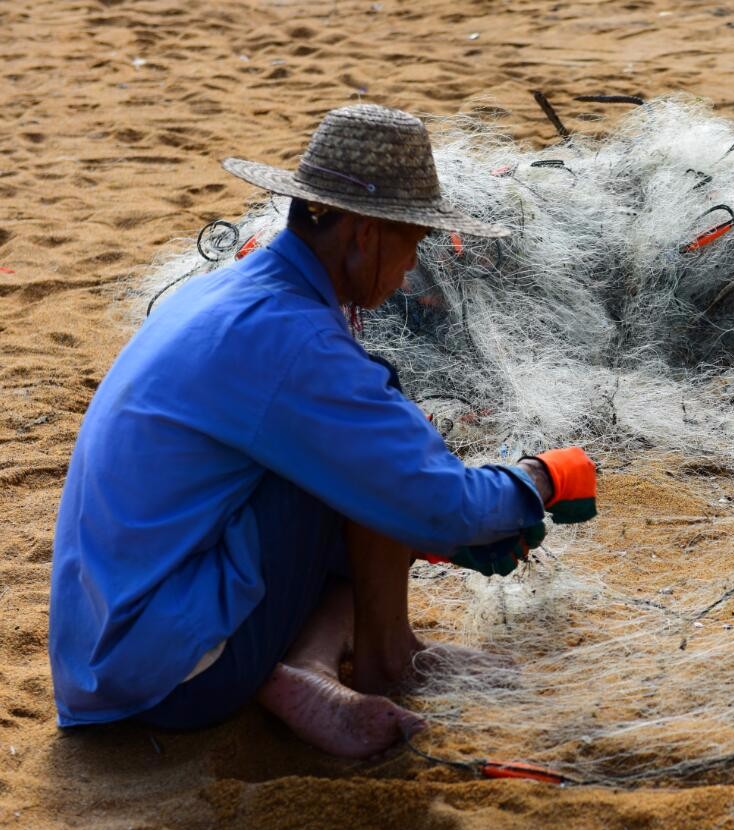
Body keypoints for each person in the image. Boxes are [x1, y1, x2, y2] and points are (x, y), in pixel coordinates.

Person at [49, 104, 599, 757]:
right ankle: (367, 660)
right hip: (168, 677)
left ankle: (350, 657)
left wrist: (442, 517)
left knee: (368, 445)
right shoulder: (295, 342)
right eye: (412, 244)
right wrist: (536, 480)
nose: (407, 273)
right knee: (376, 454)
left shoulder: (228, 293)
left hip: (99, 647)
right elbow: (440, 505)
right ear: (364, 234)